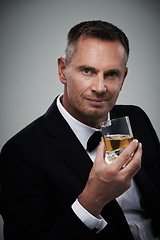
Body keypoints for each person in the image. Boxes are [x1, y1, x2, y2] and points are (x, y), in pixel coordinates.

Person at [0, 20, 160, 240]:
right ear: (63, 70)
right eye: (87, 70)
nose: (99, 87)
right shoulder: (20, 153)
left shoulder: (137, 118)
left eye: (111, 74)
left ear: (123, 78)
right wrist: (91, 200)